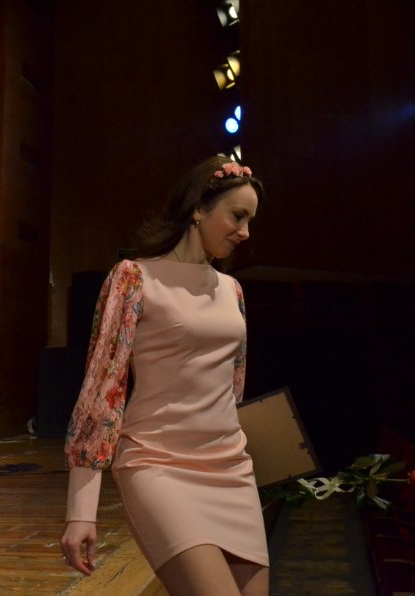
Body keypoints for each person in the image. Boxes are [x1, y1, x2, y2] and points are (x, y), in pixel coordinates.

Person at [59, 155, 269, 596]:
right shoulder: (134, 278)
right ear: (198, 208)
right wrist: (82, 509)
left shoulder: (232, 290)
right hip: (158, 464)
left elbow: (231, 389)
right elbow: (101, 391)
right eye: (238, 216)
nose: (246, 232)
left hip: (231, 468)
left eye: (250, 220)